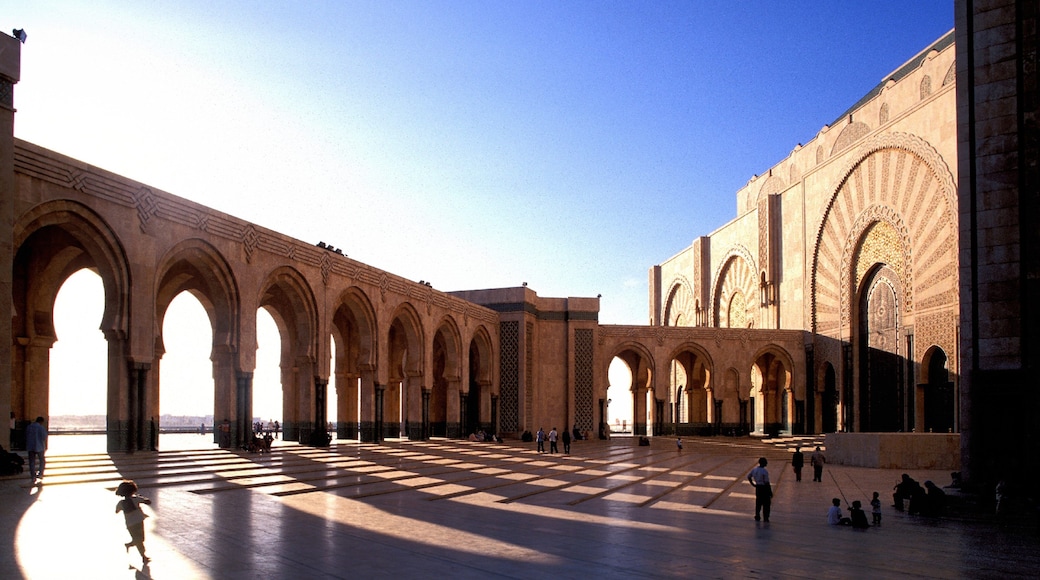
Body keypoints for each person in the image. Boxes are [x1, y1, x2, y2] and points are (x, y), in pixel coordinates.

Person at [115, 479, 152, 564]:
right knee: (140, 539)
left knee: (138, 539)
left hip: (130, 524)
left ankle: (130, 545)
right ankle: (143, 557)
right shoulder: (136, 499)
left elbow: (116, 511)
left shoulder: (121, 502)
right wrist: (142, 499)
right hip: (139, 521)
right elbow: (148, 501)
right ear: (133, 490)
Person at [747, 457, 772, 522]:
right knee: (766, 503)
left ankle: (757, 515)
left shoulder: (754, 469)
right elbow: (766, 482)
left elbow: (749, 476)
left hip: (758, 488)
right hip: (764, 488)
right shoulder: (764, 471)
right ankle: (766, 517)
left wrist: (753, 484)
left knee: (758, 502)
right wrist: (770, 492)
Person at [25, 416, 47, 483]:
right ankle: (40, 474)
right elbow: (44, 437)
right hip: (39, 446)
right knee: (42, 461)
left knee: (32, 462)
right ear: (41, 421)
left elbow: (26, 435)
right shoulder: (41, 428)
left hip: (30, 446)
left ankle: (33, 477)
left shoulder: (29, 427)